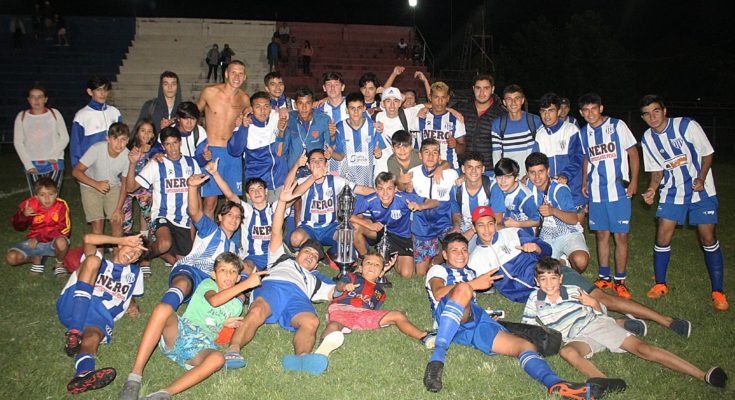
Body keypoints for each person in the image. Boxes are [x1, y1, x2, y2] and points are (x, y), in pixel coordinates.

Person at [468, 205, 693, 337]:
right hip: (536, 296)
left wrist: (536, 246)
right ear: (474, 227)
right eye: (481, 225)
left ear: (494, 222)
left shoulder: (511, 234)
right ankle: (622, 323)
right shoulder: (477, 258)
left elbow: (546, 249)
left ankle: (666, 320)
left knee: (605, 299)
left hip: (552, 274)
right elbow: (477, 288)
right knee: (565, 325)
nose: (487, 229)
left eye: (490, 223)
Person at [422, 233, 596, 398]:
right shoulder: (438, 270)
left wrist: (486, 312)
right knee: (463, 288)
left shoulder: (470, 273)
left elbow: (471, 304)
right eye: (454, 250)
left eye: (464, 250)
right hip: (447, 318)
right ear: (444, 254)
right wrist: (473, 284)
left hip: (473, 322)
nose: (461, 254)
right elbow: (438, 293)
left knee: (524, 345)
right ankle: (437, 359)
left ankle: (555, 384)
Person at [117, 173, 243, 400]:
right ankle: (134, 377)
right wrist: (192, 188)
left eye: (238, 216)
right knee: (173, 297)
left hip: (206, 291)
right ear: (220, 217)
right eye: (230, 214)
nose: (234, 218)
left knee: (217, 355)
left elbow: (232, 281)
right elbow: (195, 212)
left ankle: (163, 395)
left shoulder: (233, 248)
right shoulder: (211, 230)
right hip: (193, 271)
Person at [523, 257, 728, 392]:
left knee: (643, 349)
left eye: (553, 278)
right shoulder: (534, 299)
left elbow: (602, 314)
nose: (549, 284)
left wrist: (593, 302)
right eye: (543, 279)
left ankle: (703, 375)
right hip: (576, 338)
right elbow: (528, 323)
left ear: (561, 278)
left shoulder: (574, 291)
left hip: (595, 324)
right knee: (567, 352)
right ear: (536, 280)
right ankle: (604, 381)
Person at [223, 181, 338, 375]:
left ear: (316, 265)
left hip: (298, 297)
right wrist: (283, 202)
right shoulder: (280, 256)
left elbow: (336, 292)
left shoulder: (316, 279)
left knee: (311, 321)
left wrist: (351, 284)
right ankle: (233, 350)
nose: (310, 256)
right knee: (257, 311)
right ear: (296, 253)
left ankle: (301, 358)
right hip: (273, 287)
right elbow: (276, 231)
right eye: (307, 251)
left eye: (314, 257)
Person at [639, 94, 728, 311]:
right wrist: (651, 189)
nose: (653, 117)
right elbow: (657, 171)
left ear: (665, 110)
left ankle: (718, 291)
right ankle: (660, 284)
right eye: (647, 114)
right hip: (672, 192)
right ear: (643, 117)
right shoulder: (647, 138)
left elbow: (707, 155)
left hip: (701, 191)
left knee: (708, 238)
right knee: (662, 234)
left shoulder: (687, 126)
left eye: (656, 111)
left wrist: (701, 177)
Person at [138, 253, 266, 400]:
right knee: (163, 309)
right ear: (213, 274)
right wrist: (246, 284)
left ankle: (164, 393)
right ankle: (135, 376)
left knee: (218, 358)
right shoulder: (208, 284)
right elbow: (214, 301)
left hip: (201, 346)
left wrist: (225, 325)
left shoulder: (237, 305)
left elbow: (219, 335)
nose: (228, 275)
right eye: (223, 270)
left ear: (237, 278)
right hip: (182, 330)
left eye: (233, 271)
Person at [59, 233, 147, 394]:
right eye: (131, 248)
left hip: (99, 317)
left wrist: (133, 305)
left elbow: (131, 294)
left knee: (93, 337)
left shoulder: (135, 273)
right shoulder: (101, 260)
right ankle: (74, 331)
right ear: (121, 244)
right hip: (73, 305)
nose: (133, 254)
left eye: (138, 254)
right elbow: (88, 239)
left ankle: (83, 374)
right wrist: (121, 239)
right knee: (92, 260)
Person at [578, 93, 639, 298]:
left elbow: (633, 153)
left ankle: (620, 280)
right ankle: (604, 276)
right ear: (581, 113)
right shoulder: (584, 132)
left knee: (620, 236)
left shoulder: (617, 125)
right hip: (596, 192)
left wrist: (634, 181)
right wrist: (585, 181)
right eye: (585, 110)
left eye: (593, 108)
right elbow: (587, 158)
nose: (590, 113)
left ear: (601, 108)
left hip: (618, 191)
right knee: (601, 235)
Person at [317, 252, 437, 355]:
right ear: (360, 268)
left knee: (398, 315)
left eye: (377, 265)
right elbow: (338, 286)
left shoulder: (380, 292)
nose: (372, 266)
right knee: (334, 326)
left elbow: (373, 310)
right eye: (368, 263)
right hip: (342, 309)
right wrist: (344, 286)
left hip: (363, 315)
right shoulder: (352, 277)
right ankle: (321, 350)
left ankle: (424, 336)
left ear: (381, 273)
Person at [126, 127, 200, 267]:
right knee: (164, 244)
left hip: (184, 218)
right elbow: (130, 188)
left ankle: (163, 254)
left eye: (175, 143)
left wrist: (198, 218)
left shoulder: (192, 163)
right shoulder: (156, 164)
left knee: (184, 262)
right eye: (167, 144)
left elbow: (196, 193)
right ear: (163, 146)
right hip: (162, 214)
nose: (172, 148)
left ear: (180, 142)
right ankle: (144, 257)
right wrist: (132, 163)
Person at [351, 172, 439, 278]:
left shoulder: (403, 198)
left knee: (406, 274)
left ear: (395, 188)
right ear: (376, 189)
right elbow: (345, 213)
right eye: (380, 189)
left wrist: (420, 206)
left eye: (389, 188)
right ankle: (365, 258)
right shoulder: (370, 199)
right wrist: (367, 224)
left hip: (401, 236)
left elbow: (435, 202)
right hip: (379, 232)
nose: (385, 193)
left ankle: (392, 257)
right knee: (356, 227)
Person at [195, 60, 250, 219]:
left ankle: (232, 241)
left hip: (233, 154)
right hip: (212, 152)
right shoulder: (209, 92)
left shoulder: (244, 98)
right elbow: (191, 114)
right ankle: (209, 241)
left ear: (245, 77)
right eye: (233, 72)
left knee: (233, 201)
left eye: (240, 73)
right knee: (210, 203)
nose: (236, 76)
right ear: (226, 73)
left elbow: (255, 115)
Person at [289, 149, 373, 249]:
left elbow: (361, 189)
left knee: (348, 234)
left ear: (326, 164)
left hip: (331, 227)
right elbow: (292, 194)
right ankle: (312, 248)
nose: (317, 163)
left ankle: (332, 252)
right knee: (295, 239)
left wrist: (383, 191)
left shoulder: (336, 180)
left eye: (320, 160)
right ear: (308, 165)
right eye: (313, 160)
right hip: (309, 228)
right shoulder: (302, 181)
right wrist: (310, 175)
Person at [526, 152, 589, 273]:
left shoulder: (559, 189)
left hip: (568, 232)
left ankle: (567, 265)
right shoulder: (528, 185)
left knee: (580, 261)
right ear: (527, 174)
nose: (537, 177)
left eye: (541, 171)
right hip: (546, 235)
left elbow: (573, 219)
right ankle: (562, 262)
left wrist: (553, 211)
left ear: (548, 171)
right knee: (541, 270)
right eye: (532, 172)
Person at [532, 92, 586, 225]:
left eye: (551, 110)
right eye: (543, 111)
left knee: (577, 229)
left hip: (572, 188)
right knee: (554, 230)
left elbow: (578, 158)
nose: (547, 115)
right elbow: (536, 162)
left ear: (559, 111)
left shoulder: (571, 130)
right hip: (551, 192)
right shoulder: (540, 135)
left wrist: (565, 176)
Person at [72, 122, 130, 238]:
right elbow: (76, 172)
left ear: (128, 140)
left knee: (117, 221)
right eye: (115, 139)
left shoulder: (127, 156)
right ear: (108, 138)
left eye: (123, 140)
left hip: (112, 186)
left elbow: (124, 186)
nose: (119, 144)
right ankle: (98, 254)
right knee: (97, 223)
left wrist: (118, 209)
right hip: (90, 186)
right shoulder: (96, 149)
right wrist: (96, 184)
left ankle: (117, 254)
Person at [410, 139, 459, 276]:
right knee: (421, 273)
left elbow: (463, 187)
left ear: (439, 156)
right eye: (427, 152)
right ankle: (435, 249)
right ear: (420, 155)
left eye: (435, 153)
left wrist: (443, 167)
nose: (431, 156)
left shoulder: (450, 174)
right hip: (423, 225)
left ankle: (438, 257)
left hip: (444, 222)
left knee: (455, 246)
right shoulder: (413, 174)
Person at [227, 91, 288, 201]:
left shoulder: (276, 117)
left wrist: (283, 108)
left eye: (266, 106)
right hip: (257, 185)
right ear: (251, 109)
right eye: (258, 107)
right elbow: (234, 151)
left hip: (279, 181)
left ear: (271, 108)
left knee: (279, 217)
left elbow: (301, 110)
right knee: (258, 217)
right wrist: (243, 128)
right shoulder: (245, 124)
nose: (263, 110)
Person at [7, 177, 70, 276]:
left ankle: (59, 264)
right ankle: (35, 258)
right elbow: (18, 227)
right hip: (35, 244)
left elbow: (64, 229)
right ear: (36, 196)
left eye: (50, 194)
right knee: (11, 258)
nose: (47, 198)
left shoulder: (61, 205)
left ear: (56, 194)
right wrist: (23, 215)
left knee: (62, 241)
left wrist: (39, 238)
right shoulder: (31, 205)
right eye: (42, 195)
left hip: (53, 243)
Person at [14, 83, 69, 194]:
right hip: (33, 164)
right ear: (29, 99)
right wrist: (28, 164)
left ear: (45, 99)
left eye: (40, 97)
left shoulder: (54, 114)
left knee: (52, 196)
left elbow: (64, 137)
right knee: (37, 198)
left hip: (54, 163)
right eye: (33, 97)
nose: (36, 100)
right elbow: (18, 143)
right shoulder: (22, 116)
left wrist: (54, 156)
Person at [121, 120, 160, 276]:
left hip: (145, 190)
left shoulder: (155, 150)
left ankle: (144, 255)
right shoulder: (129, 150)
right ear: (136, 132)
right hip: (128, 188)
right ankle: (125, 251)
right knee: (126, 221)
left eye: (150, 131)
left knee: (147, 219)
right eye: (142, 130)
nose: (146, 134)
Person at [330, 92, 386, 186]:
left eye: (359, 108)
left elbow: (380, 154)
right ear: (347, 110)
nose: (356, 112)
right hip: (346, 180)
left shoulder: (373, 127)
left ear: (364, 108)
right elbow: (340, 155)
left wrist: (378, 154)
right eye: (352, 108)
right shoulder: (340, 128)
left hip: (368, 180)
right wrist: (331, 151)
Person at [450, 151, 505, 241]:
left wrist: (472, 231)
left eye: (477, 167)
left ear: (483, 169)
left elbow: (497, 219)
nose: (474, 171)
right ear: (463, 169)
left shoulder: (492, 187)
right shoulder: (455, 190)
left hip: (488, 231)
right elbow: (456, 214)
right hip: (465, 231)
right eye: (470, 167)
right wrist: (456, 227)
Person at [70, 76, 122, 168]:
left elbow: (121, 138)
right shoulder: (81, 116)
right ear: (90, 92)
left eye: (105, 90)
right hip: (91, 165)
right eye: (99, 90)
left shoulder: (115, 112)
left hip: (112, 163)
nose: (103, 93)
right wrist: (77, 168)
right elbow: (75, 145)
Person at [455, 74, 504, 171]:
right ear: (473, 89)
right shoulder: (461, 108)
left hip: (489, 170)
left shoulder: (501, 114)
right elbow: (439, 107)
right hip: (463, 169)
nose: (481, 92)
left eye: (486, 88)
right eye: (478, 88)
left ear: (492, 89)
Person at [491, 84, 542, 177]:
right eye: (509, 99)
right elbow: (496, 155)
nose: (513, 102)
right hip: (509, 177)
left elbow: (541, 151)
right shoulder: (498, 124)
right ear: (504, 102)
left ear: (522, 100)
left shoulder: (535, 121)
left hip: (532, 177)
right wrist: (501, 176)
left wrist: (529, 175)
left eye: (517, 98)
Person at [416, 82, 466, 169]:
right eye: (436, 97)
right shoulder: (420, 117)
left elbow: (462, 149)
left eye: (443, 97)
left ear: (448, 98)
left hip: (449, 169)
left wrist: (456, 145)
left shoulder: (456, 119)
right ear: (430, 97)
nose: (440, 101)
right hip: (425, 168)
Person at [283, 87, 334, 170]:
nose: (304, 107)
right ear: (295, 105)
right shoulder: (290, 119)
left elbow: (329, 145)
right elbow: (283, 149)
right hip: (294, 169)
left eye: (308, 103)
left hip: (316, 169)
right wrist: (281, 132)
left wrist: (332, 138)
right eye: (300, 103)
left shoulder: (324, 119)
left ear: (313, 104)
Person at [493, 158, 540, 235]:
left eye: (508, 177)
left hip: (522, 232)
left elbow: (537, 221)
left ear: (516, 177)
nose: (503, 181)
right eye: (500, 177)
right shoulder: (495, 186)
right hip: (503, 227)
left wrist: (516, 224)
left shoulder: (525, 196)